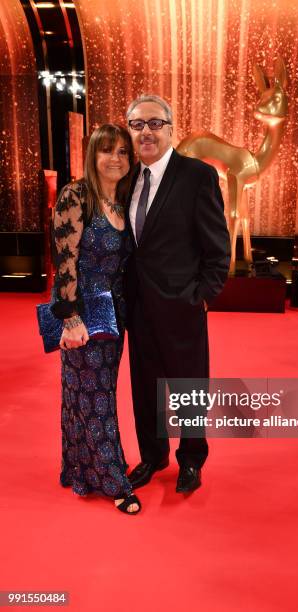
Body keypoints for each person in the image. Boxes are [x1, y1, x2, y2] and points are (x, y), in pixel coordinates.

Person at [124, 94, 231, 493]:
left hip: (183, 304)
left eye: (154, 123)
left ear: (170, 128)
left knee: (189, 385)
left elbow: (217, 246)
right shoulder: (125, 178)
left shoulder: (197, 176)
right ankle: (152, 456)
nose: (146, 132)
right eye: (137, 125)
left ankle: (191, 461)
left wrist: (203, 295)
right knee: (144, 386)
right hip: (137, 306)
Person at [51, 124, 141, 515]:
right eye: (108, 151)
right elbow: (64, 260)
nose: (116, 159)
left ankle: (78, 468)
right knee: (95, 392)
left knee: (84, 391)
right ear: (93, 154)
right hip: (83, 310)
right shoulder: (77, 195)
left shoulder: (123, 200)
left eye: (123, 152)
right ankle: (112, 479)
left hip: (114, 311)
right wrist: (69, 318)